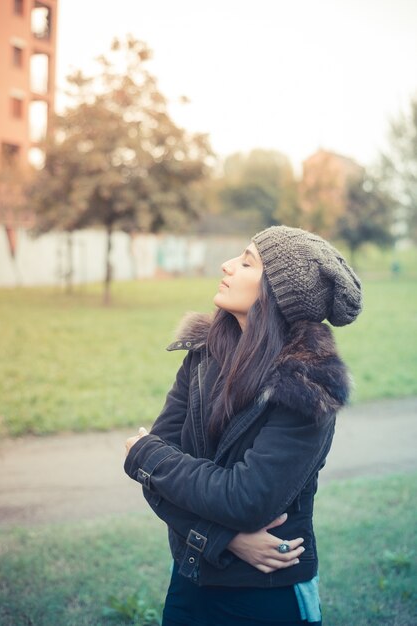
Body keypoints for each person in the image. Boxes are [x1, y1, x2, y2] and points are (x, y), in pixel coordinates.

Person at [124, 225, 362, 626]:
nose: (227, 265)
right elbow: (157, 480)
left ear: (275, 294)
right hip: (190, 577)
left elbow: (245, 498)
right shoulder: (203, 356)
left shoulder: (308, 387)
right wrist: (225, 538)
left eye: (247, 261)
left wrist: (145, 453)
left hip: (267, 592)